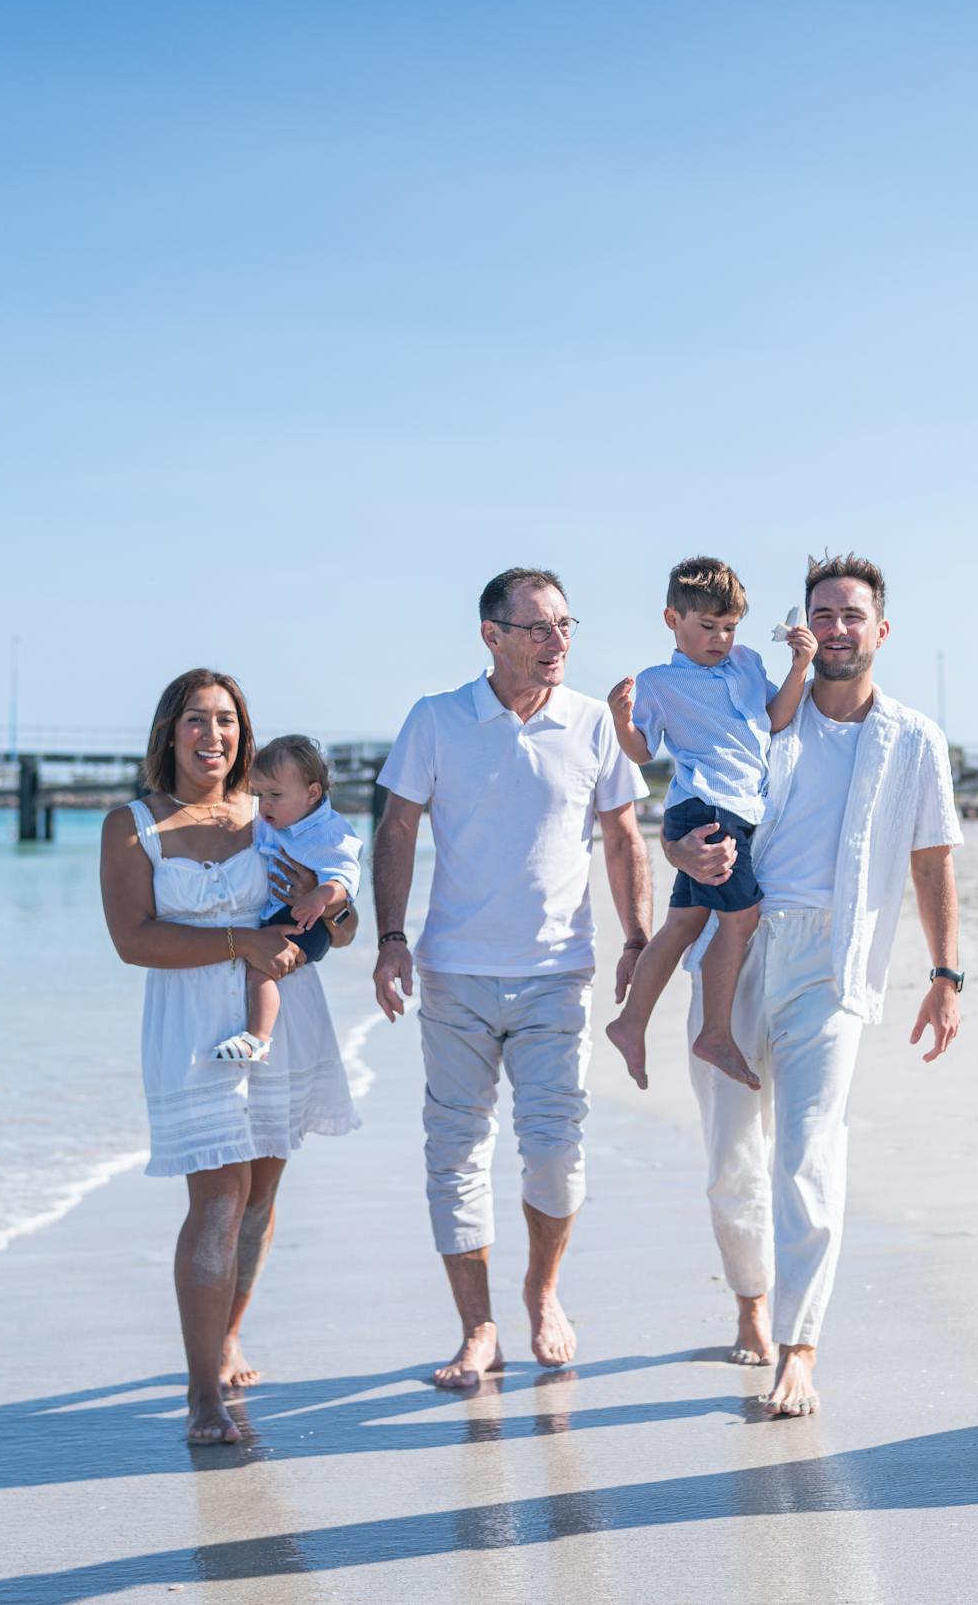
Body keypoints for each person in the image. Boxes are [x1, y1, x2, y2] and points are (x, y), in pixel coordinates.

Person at [666, 553, 964, 1417]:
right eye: (823, 614)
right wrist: (678, 851)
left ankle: (799, 1347)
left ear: (880, 629)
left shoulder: (912, 739)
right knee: (732, 1161)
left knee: (807, 1158)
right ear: (804, 627)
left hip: (833, 965)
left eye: (852, 614)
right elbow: (684, 815)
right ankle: (751, 1302)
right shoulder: (760, 714)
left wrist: (945, 975)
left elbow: (932, 858)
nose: (839, 628)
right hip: (734, 945)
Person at [371, 567, 655, 1388]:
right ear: (491, 636)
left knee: (556, 1153)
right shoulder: (436, 720)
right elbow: (396, 828)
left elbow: (623, 836)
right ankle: (477, 1327)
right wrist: (390, 939)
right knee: (455, 1152)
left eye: (566, 625)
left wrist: (637, 937)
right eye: (537, 627)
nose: (557, 641)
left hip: (556, 973)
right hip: (454, 970)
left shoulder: (592, 723)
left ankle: (542, 1290)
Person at [96, 670, 360, 1445]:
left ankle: (230, 1333)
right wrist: (242, 940)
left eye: (227, 723)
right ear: (167, 732)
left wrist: (330, 904)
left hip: (283, 1015)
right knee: (215, 1200)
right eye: (196, 721)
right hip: (191, 1027)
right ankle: (202, 1390)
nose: (214, 737)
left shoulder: (271, 815)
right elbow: (131, 940)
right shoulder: (131, 825)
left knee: (259, 1196)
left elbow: (335, 930)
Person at [601, 555, 814, 1092]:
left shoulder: (744, 663)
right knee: (741, 919)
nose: (719, 638)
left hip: (736, 808)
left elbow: (777, 718)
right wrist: (621, 720)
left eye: (729, 627)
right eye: (707, 627)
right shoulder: (657, 683)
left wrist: (797, 669)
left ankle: (630, 1022)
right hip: (708, 807)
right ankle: (715, 1034)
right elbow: (642, 752)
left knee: (685, 924)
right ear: (673, 619)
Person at [215, 736, 360, 1064]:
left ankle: (257, 1039)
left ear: (312, 793)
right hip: (285, 916)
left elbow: (345, 878)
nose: (265, 804)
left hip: (307, 924)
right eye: (260, 794)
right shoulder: (276, 820)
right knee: (258, 969)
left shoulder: (328, 832)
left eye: (275, 795)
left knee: (259, 971)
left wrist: (320, 895)